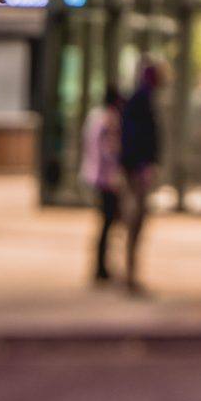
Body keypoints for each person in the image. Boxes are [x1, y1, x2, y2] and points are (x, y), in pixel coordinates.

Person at [115, 63, 164, 296]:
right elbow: (135, 137)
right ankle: (129, 274)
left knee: (135, 221)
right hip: (136, 169)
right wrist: (142, 166)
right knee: (134, 220)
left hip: (136, 168)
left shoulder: (142, 100)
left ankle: (130, 273)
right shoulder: (140, 101)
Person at [80, 82, 123, 286]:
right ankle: (101, 267)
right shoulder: (108, 119)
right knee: (107, 222)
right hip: (105, 178)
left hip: (94, 175)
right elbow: (108, 151)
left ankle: (101, 266)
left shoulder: (94, 117)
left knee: (105, 222)